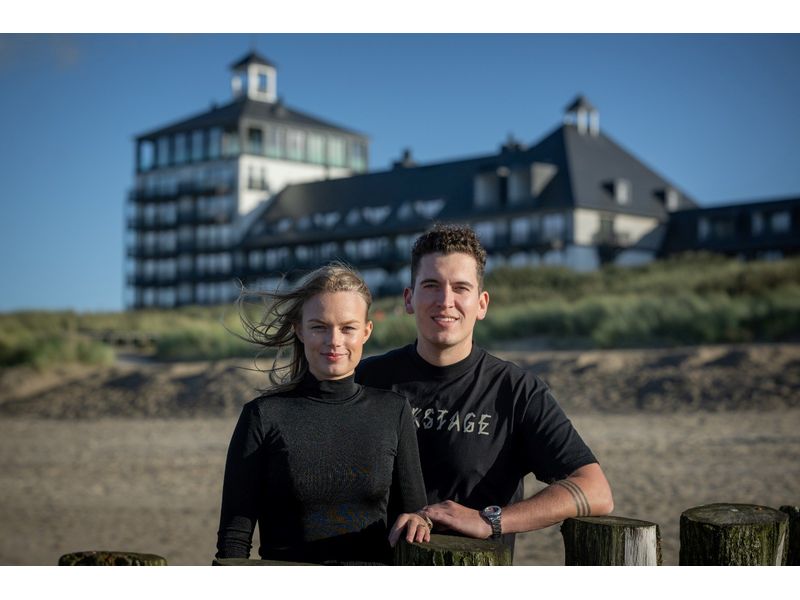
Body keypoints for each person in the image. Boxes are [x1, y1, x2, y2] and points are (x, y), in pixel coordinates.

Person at [356, 224, 613, 555]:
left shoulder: (516, 391)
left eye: (461, 288)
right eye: (431, 285)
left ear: (482, 303)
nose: (445, 301)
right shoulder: (367, 378)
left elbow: (595, 490)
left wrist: (490, 519)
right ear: (409, 298)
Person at [215, 263, 431, 565]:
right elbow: (234, 540)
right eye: (319, 326)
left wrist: (422, 521)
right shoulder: (263, 417)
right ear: (299, 330)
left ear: (366, 332)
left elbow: (414, 518)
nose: (334, 340)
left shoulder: (393, 411)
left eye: (348, 328)